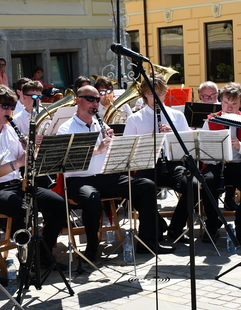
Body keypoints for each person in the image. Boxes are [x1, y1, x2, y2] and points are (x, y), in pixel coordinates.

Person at [58, 85, 174, 260]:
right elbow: (67, 160)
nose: (95, 103)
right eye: (90, 99)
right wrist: (97, 150)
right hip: (80, 180)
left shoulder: (100, 124)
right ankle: (91, 248)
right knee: (91, 198)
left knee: (146, 186)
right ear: (78, 100)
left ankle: (148, 242)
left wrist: (115, 144)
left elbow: (112, 153)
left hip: (106, 177)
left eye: (97, 100)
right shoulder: (66, 128)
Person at [0, 85, 66, 263]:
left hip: (16, 185)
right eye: (5, 106)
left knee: (59, 204)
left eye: (12, 107)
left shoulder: (10, 130)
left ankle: (43, 251)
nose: (9, 111)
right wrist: (18, 163)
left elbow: (24, 159)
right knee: (23, 207)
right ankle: (26, 258)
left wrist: (32, 152)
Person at [124, 74, 210, 244]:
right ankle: (158, 223)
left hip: (172, 164)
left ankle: (175, 228)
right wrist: (150, 140)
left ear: (166, 93)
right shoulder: (135, 119)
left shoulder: (177, 116)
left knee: (193, 186)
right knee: (134, 190)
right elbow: (128, 150)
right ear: (145, 94)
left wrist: (172, 136)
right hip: (147, 165)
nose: (157, 98)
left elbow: (188, 148)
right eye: (152, 94)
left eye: (161, 93)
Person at [202, 83, 241, 245]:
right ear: (221, 101)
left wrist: (240, 146)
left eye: (234, 104)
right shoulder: (211, 120)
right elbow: (202, 153)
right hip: (216, 163)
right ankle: (212, 224)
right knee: (207, 180)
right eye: (226, 102)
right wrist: (215, 154)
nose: (229, 107)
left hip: (239, 163)